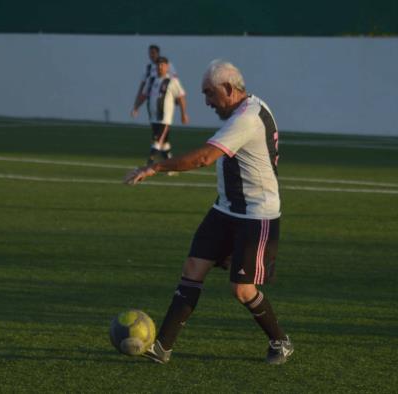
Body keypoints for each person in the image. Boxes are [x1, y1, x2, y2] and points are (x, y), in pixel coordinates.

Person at [124, 60, 293, 365]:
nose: (206, 101)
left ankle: (280, 341)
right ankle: (162, 347)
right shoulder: (246, 109)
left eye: (210, 94)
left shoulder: (247, 118)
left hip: (257, 215)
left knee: (242, 290)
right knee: (193, 267)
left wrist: (156, 166)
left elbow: (203, 157)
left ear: (229, 89)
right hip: (226, 209)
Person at [131, 56, 189, 166]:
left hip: (165, 119)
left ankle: (150, 163)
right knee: (164, 143)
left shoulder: (172, 81)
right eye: (158, 65)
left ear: (167, 67)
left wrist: (183, 114)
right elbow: (144, 95)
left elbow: (181, 97)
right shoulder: (151, 80)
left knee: (157, 140)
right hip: (153, 117)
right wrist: (136, 107)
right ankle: (171, 166)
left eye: (162, 65)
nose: (160, 67)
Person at [133, 45, 178, 111]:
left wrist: (176, 96)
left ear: (158, 53)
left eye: (153, 53)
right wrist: (136, 104)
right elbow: (142, 86)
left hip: (166, 97)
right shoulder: (148, 68)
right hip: (153, 99)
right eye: (150, 53)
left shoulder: (167, 65)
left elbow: (175, 80)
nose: (152, 55)